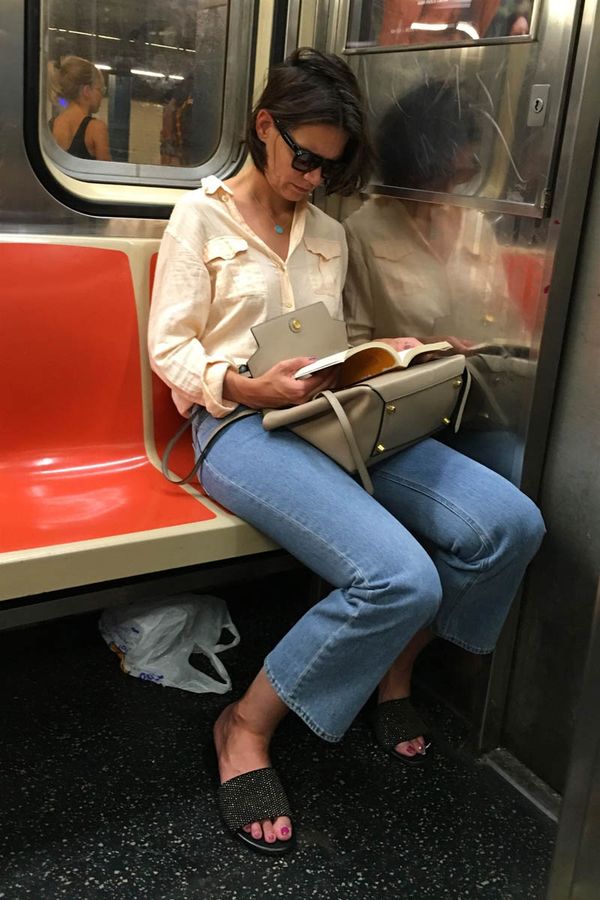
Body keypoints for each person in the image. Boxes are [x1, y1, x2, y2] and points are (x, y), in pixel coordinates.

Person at [148, 48, 545, 855]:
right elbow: (170, 347)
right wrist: (244, 387)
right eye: (304, 159)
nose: (313, 179)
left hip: (337, 414)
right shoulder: (203, 217)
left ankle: (391, 669)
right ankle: (244, 728)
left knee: (511, 524)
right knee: (398, 576)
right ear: (266, 126)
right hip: (238, 426)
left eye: (330, 168)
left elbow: (339, 341)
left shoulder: (328, 232)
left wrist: (401, 350)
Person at [50, 56, 111, 161]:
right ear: (86, 91)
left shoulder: (50, 125)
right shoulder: (96, 128)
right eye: (100, 89)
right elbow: (107, 174)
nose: (101, 96)